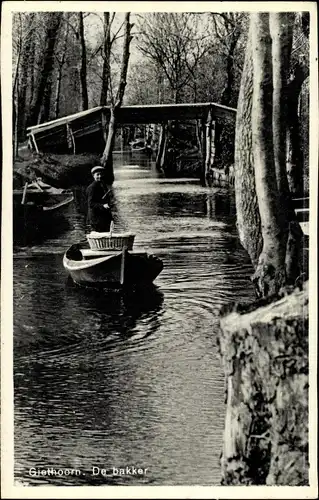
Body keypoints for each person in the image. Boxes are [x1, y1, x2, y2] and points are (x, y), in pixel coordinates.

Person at [86, 166, 113, 232]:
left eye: (101, 174)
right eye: (97, 174)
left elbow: (105, 200)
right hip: (96, 219)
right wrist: (102, 205)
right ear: (93, 176)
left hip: (104, 218)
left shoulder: (103, 185)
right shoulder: (92, 188)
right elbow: (90, 203)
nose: (100, 176)